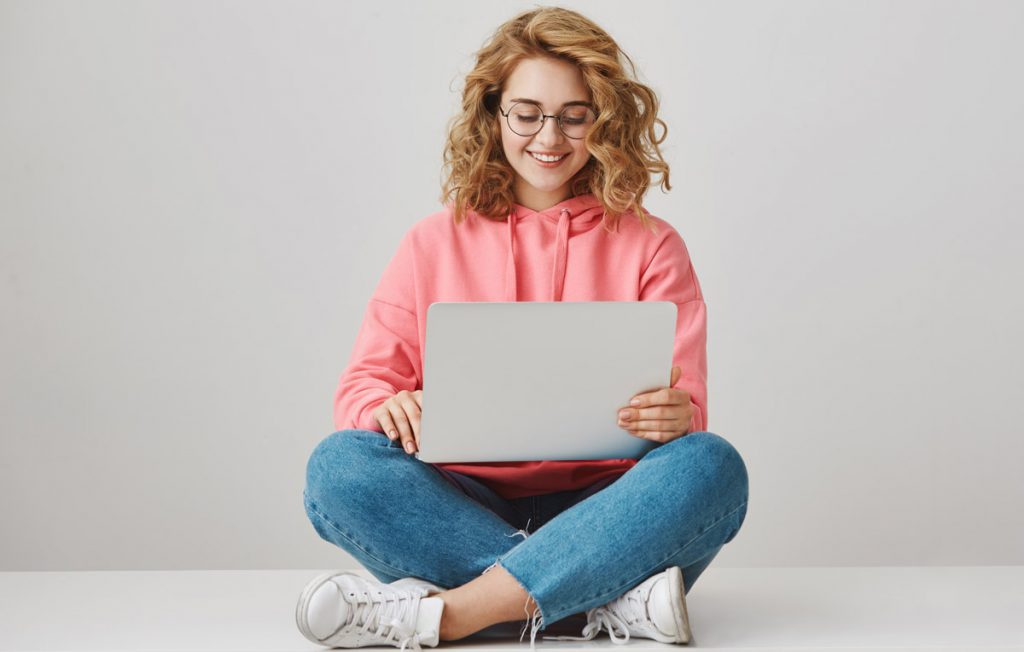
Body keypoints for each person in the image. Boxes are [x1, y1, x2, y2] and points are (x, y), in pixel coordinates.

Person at [296, 6, 749, 650]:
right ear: (494, 114)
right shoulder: (432, 242)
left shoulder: (653, 246)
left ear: (604, 120)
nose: (549, 136)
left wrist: (676, 416)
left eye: (574, 115)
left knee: (712, 466)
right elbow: (365, 385)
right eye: (527, 113)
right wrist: (385, 406)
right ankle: (603, 603)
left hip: (609, 507)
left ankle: (450, 615)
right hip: (459, 504)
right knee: (337, 467)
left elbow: (689, 409)